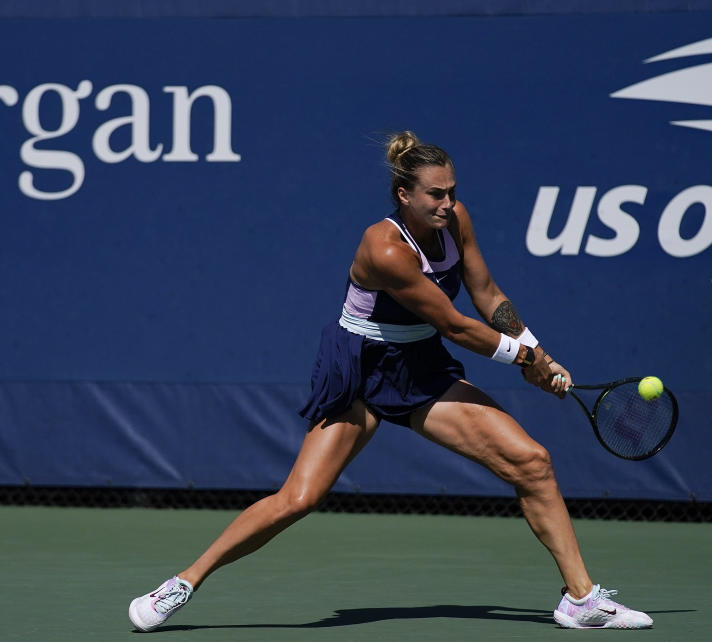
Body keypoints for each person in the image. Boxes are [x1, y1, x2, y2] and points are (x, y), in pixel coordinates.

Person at [128, 131, 653, 631]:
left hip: (420, 368)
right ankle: (181, 583)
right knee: (299, 498)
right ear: (404, 195)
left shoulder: (456, 220)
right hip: (361, 369)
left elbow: (487, 293)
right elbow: (453, 324)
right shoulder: (385, 249)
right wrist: (525, 359)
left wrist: (539, 351)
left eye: (452, 192)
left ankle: (580, 600)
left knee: (531, 462)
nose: (447, 204)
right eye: (435, 195)